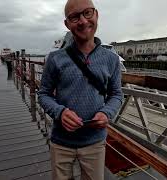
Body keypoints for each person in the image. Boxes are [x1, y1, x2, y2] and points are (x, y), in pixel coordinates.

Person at [38, 0, 123, 179]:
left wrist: (106, 113)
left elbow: (116, 94)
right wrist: (60, 113)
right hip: (61, 142)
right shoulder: (55, 59)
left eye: (87, 13)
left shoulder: (111, 59)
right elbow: (43, 94)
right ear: (67, 24)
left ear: (96, 14)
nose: (83, 21)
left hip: (95, 142)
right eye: (74, 17)